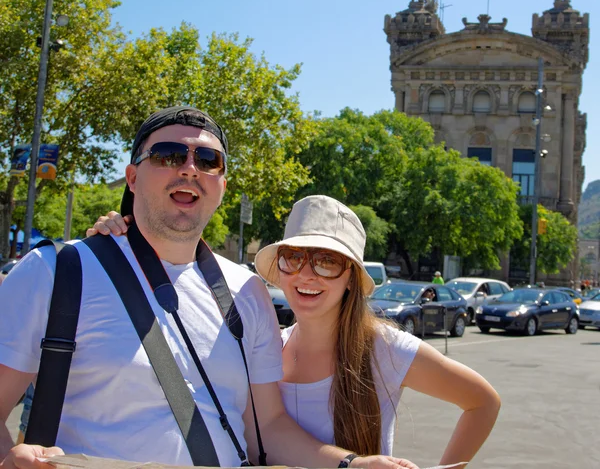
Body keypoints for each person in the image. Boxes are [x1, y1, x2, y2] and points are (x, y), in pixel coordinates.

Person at [0, 107, 418, 469]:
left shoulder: (248, 292)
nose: (189, 168)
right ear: (131, 178)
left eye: (208, 160)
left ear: (221, 185)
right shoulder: (54, 272)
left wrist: (351, 462)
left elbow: (267, 427)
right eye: (167, 155)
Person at [91, 194, 501, 467]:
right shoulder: (266, 344)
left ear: (351, 278)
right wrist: (127, 236)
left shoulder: (385, 348)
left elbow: (483, 402)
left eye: (326, 261)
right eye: (294, 258)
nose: (306, 275)